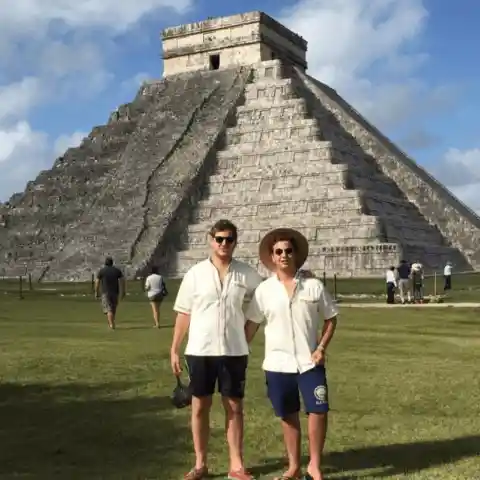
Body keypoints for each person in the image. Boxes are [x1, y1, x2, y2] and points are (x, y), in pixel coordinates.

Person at [170, 219, 263, 480]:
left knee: (234, 407)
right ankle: (200, 464)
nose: (224, 244)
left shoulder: (247, 274)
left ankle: (236, 465)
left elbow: (260, 306)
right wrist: (174, 348)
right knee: (200, 407)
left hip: (234, 351)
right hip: (200, 349)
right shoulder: (195, 274)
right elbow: (183, 312)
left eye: (229, 239)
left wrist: (246, 337)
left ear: (235, 242)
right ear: (210, 240)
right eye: (219, 238)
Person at [244, 228, 339, 480]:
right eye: (278, 252)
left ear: (296, 255)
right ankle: (294, 466)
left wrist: (321, 348)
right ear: (272, 257)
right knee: (288, 415)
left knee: (318, 410)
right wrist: (237, 353)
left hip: (310, 362)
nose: (284, 255)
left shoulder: (313, 286)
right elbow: (251, 325)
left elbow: (331, 319)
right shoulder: (264, 291)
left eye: (288, 251)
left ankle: (314, 466)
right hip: (277, 363)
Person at [95, 256, 125, 329]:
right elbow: (122, 281)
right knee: (113, 308)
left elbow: (97, 282)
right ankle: (112, 322)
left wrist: (96, 291)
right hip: (115, 292)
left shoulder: (102, 271)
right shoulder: (117, 271)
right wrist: (123, 291)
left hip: (105, 292)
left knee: (109, 309)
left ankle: (111, 325)